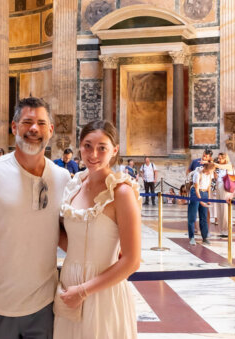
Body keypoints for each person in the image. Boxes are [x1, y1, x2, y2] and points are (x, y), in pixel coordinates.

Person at [0, 97, 71, 338]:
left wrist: (102, 253)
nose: (34, 129)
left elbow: (63, 234)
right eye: (27, 122)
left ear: (51, 130)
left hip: (45, 306)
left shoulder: (63, 178)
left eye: (41, 123)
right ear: (14, 127)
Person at [54, 120, 141, 338]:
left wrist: (83, 291)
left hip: (102, 289)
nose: (93, 154)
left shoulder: (121, 193)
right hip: (69, 286)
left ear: (114, 150)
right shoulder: (74, 187)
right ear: (80, 147)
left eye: (102, 147)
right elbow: (73, 241)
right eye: (87, 146)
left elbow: (132, 260)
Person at [187, 162, 215, 246]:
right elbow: (196, 189)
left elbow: (209, 187)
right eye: (211, 170)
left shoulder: (210, 174)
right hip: (196, 193)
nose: (212, 172)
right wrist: (201, 201)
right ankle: (191, 237)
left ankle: (205, 237)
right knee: (192, 216)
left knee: (204, 216)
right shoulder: (197, 174)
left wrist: (209, 198)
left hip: (204, 193)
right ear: (207, 169)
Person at [214, 153, 235, 238]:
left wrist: (214, 163)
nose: (218, 160)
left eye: (220, 158)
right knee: (219, 208)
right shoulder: (219, 167)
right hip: (218, 186)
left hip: (225, 188)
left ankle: (226, 229)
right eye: (218, 158)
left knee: (225, 208)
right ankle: (221, 229)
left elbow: (221, 166)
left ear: (225, 159)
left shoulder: (229, 165)